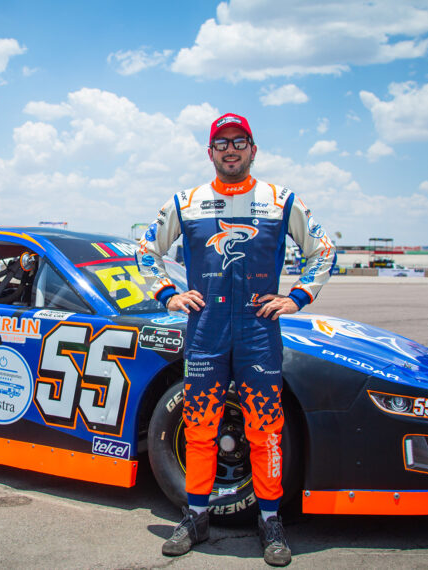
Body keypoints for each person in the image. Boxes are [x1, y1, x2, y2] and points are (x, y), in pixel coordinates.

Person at [136, 113, 336, 566]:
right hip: (206, 330)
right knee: (201, 429)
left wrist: (299, 296)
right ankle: (196, 517)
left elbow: (322, 250)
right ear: (210, 153)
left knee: (265, 432)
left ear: (253, 149)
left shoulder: (280, 200)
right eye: (221, 143)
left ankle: (270, 520)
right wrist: (167, 292)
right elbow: (145, 249)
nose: (231, 149)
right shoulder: (186, 201)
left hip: (259, 330)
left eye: (239, 141)